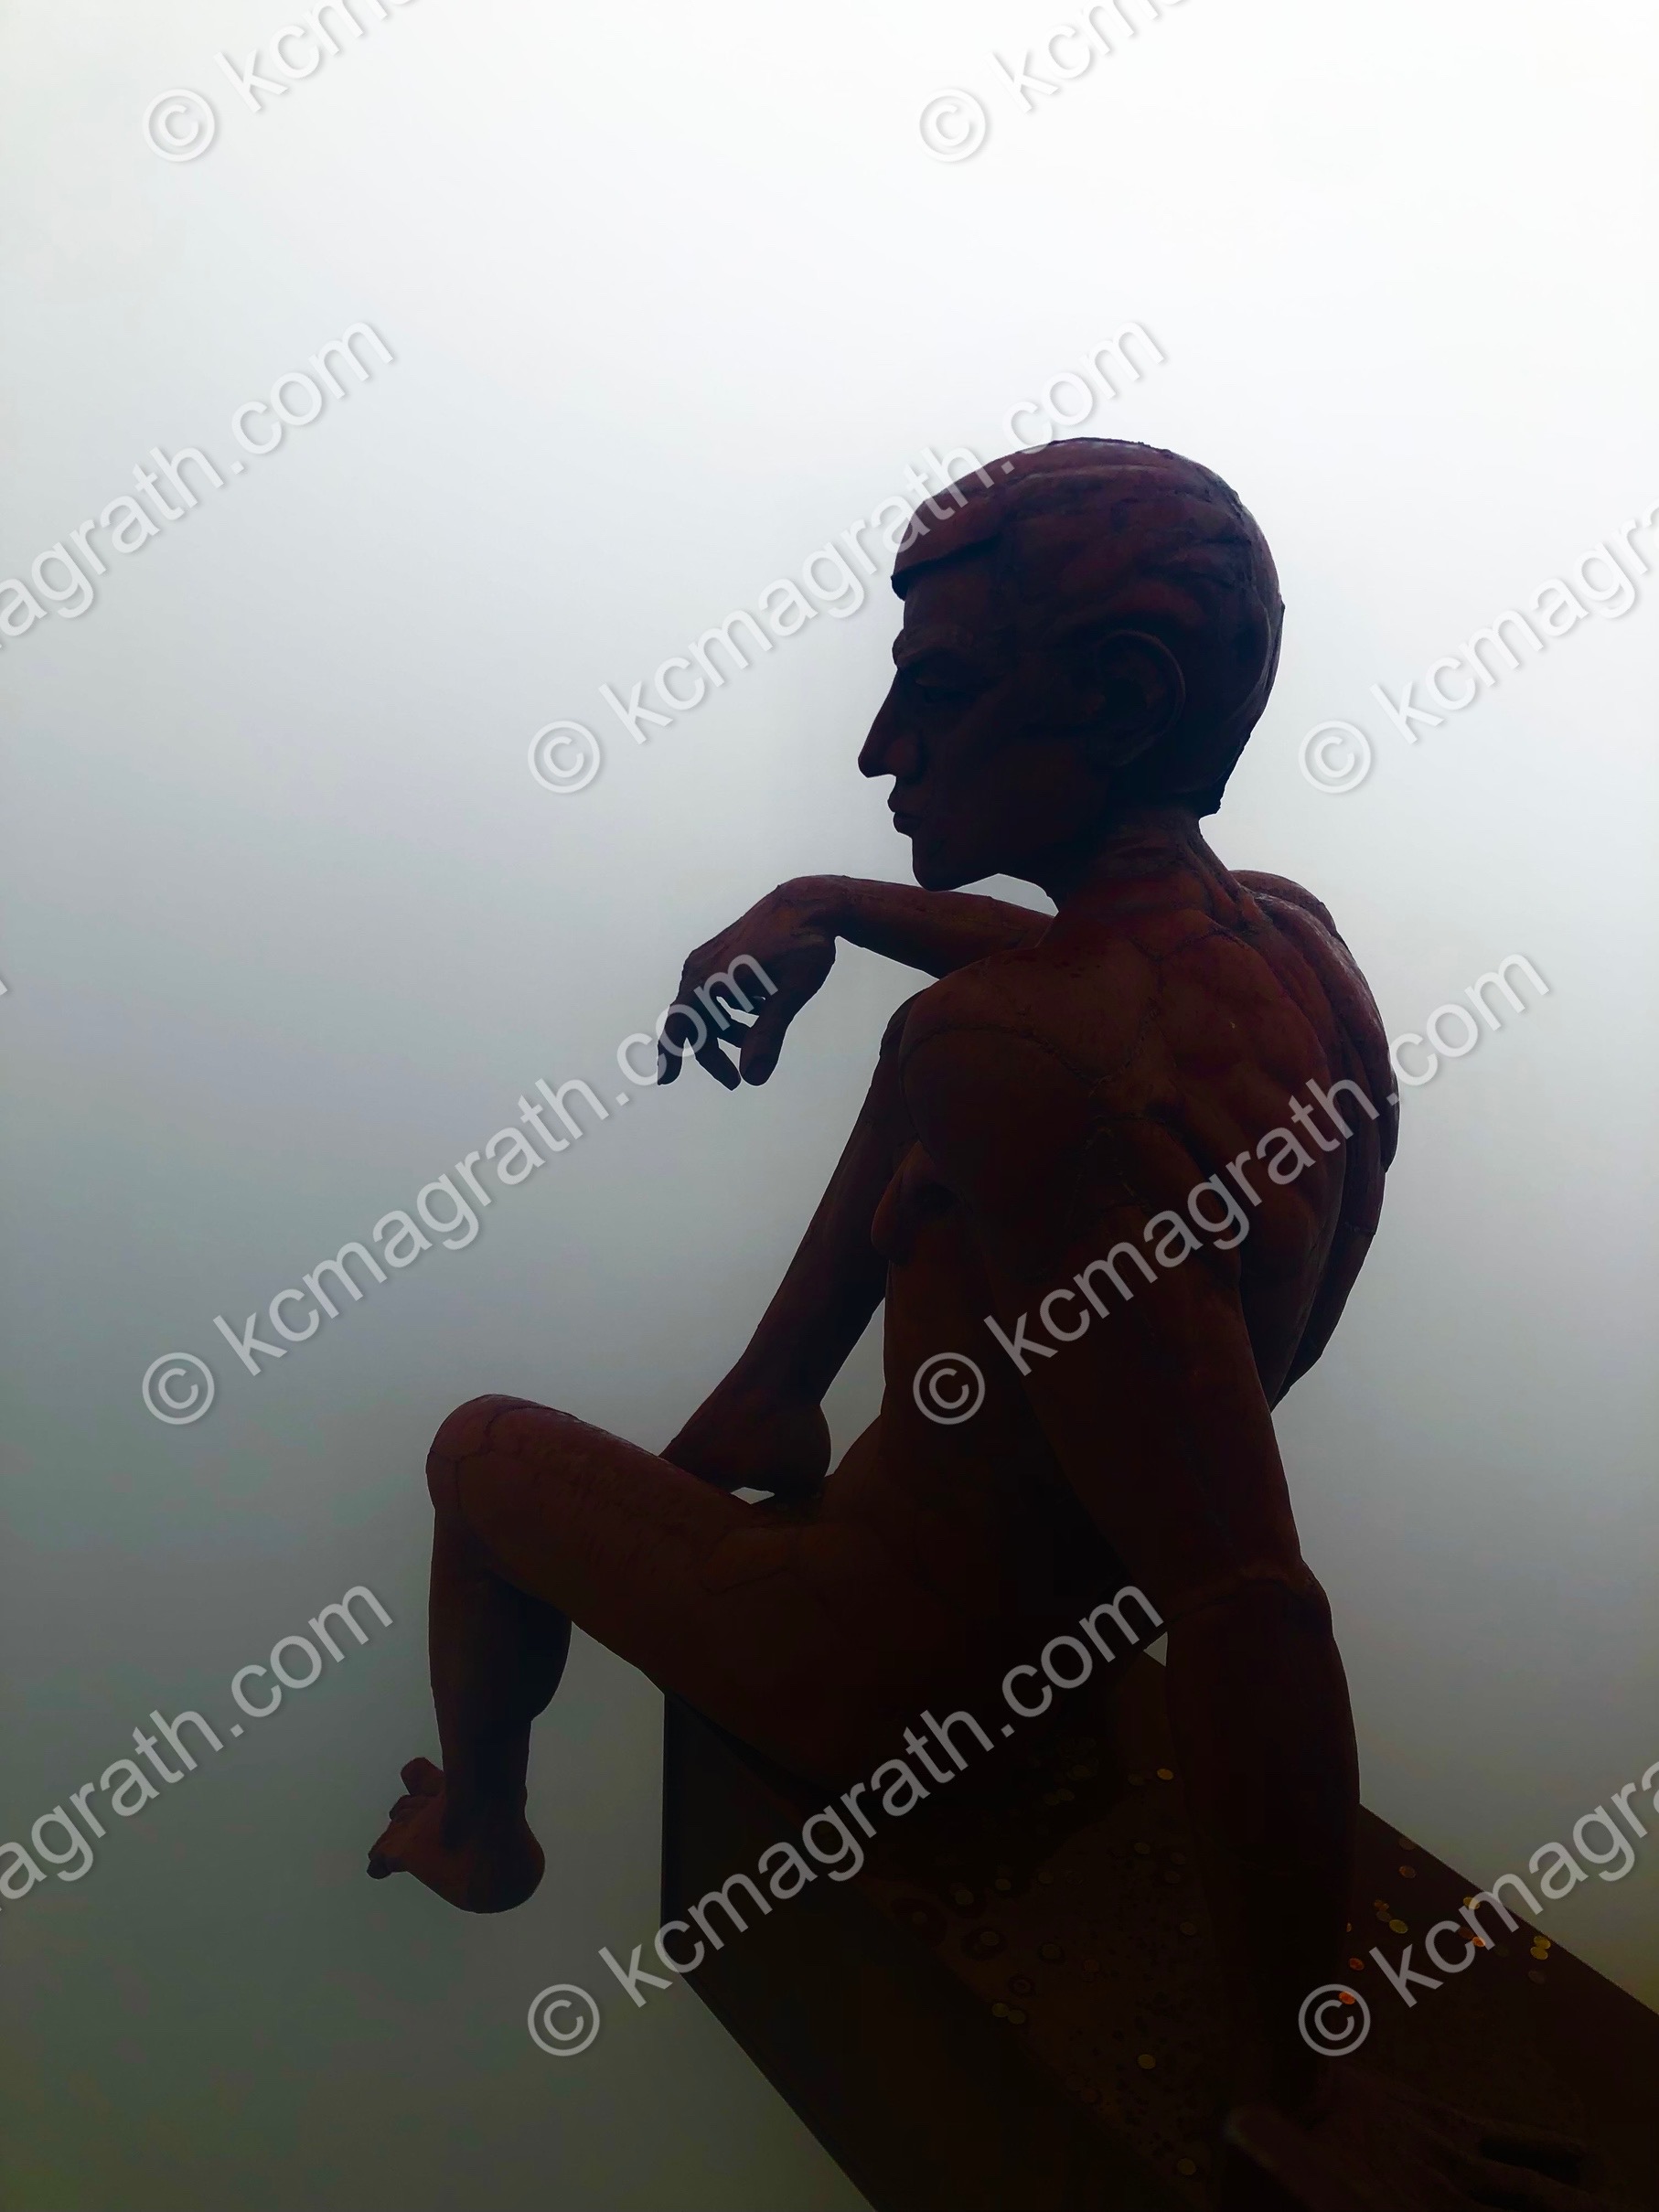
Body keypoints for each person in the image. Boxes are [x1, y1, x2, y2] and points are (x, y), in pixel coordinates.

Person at [369, 439, 1608, 2209]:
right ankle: (770, 1400)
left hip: (889, 1667)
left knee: (474, 1452)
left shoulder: (1016, 1052)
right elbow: (1053, 990)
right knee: (941, 1061)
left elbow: (1246, 1590)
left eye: (933, 693)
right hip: (1057, 1606)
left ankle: (481, 1831)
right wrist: (823, 903)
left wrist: (1299, 2082)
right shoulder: (1292, 964)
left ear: (1112, 693)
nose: (882, 750)